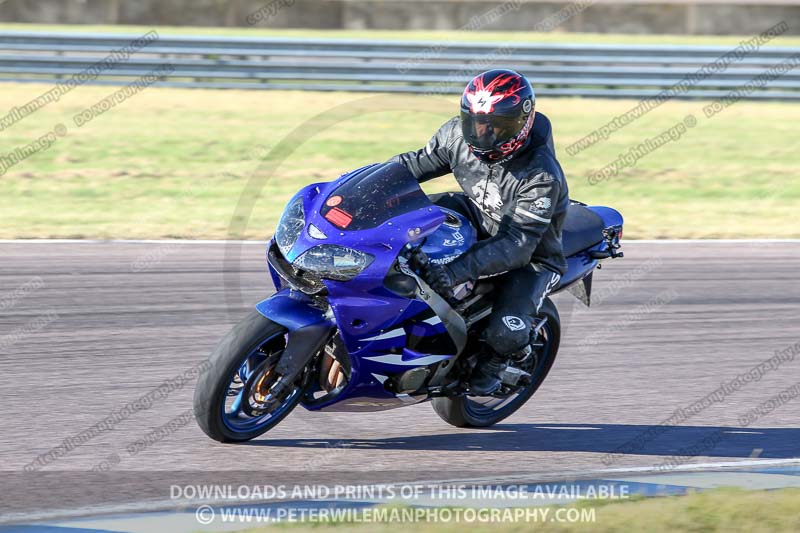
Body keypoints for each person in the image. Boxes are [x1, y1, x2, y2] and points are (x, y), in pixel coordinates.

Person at [390, 69, 569, 395]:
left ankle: (503, 361)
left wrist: (452, 272)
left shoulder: (541, 176)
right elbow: (410, 166)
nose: (482, 133)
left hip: (532, 255)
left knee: (505, 334)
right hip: (475, 214)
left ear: (522, 123)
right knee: (405, 224)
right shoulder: (456, 136)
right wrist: (357, 185)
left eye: (496, 125)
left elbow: (516, 244)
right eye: (474, 123)